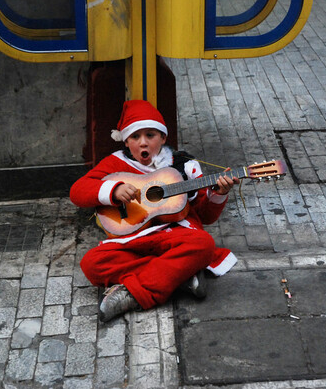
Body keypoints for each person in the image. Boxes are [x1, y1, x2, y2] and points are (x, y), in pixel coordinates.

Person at [70, 99, 239, 322]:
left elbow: (205, 217)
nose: (143, 143)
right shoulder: (115, 164)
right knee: (91, 264)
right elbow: (77, 191)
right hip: (134, 239)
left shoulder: (185, 166)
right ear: (126, 141)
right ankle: (180, 275)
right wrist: (113, 190)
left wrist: (218, 194)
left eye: (150, 135)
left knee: (204, 244)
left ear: (163, 138)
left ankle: (132, 295)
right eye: (135, 137)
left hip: (176, 236)